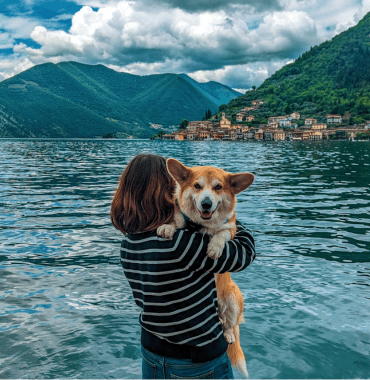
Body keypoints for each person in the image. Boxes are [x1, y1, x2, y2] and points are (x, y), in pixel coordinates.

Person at [111, 153, 256, 379]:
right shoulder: (181, 243)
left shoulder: (128, 243)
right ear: (166, 190)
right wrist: (227, 217)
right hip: (197, 362)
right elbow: (243, 254)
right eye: (174, 184)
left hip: (152, 355)